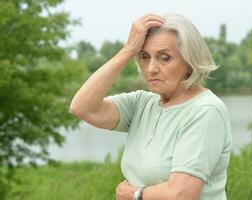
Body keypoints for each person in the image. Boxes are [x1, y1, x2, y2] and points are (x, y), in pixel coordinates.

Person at [70, 13, 232, 200]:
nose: (151, 68)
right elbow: (82, 107)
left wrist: (135, 195)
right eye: (144, 57)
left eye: (165, 58)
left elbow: (182, 194)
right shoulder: (141, 103)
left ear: (189, 62)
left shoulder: (205, 110)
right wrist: (128, 50)